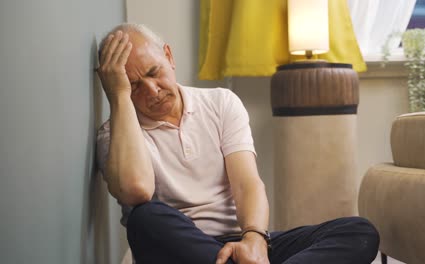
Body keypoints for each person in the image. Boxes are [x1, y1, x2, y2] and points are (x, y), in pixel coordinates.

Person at [96, 23, 379, 264]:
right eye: (133, 86)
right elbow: (136, 191)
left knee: (358, 231)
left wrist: (254, 238)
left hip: (243, 241)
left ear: (168, 56)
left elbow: (247, 183)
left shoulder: (220, 102)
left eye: (153, 72)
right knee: (145, 219)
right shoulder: (116, 134)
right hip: (184, 250)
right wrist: (119, 95)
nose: (152, 91)